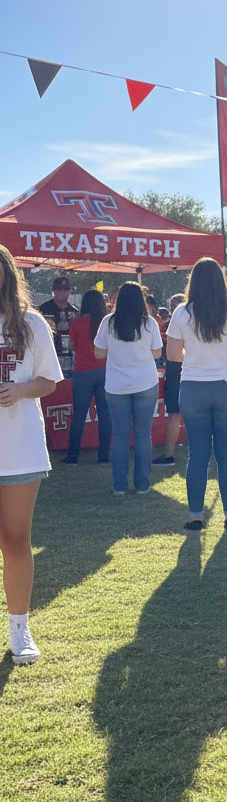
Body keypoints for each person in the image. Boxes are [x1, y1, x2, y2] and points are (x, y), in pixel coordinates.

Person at [0, 244, 62, 665]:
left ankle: (19, 628)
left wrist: (20, 389)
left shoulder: (32, 323)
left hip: (19, 450)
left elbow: (49, 381)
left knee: (15, 541)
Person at [166, 259, 227, 530]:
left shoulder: (182, 313)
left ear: (193, 282)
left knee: (198, 454)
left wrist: (194, 353)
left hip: (193, 387)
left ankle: (195, 516)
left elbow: (172, 355)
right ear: (221, 282)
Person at [94, 283, 162, 495]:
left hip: (116, 386)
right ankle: (142, 485)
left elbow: (98, 353)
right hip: (145, 383)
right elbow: (158, 353)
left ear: (118, 299)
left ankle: (119, 486)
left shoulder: (108, 322)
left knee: (120, 436)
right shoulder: (149, 323)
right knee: (143, 435)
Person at [64, 288, 111, 464]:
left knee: (79, 415)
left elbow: (71, 346)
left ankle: (72, 455)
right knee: (105, 414)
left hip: (82, 373)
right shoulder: (106, 323)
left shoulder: (77, 323)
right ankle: (104, 455)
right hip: (104, 371)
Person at [153, 292, 185, 467]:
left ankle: (169, 453)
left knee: (174, 414)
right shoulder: (196, 322)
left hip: (175, 368)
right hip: (191, 368)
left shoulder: (167, 325)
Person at [38, 275, 79, 362]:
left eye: (67, 289)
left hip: (69, 353)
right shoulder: (43, 309)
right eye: (60, 289)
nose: (64, 292)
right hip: (48, 351)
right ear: (54, 291)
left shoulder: (74, 311)